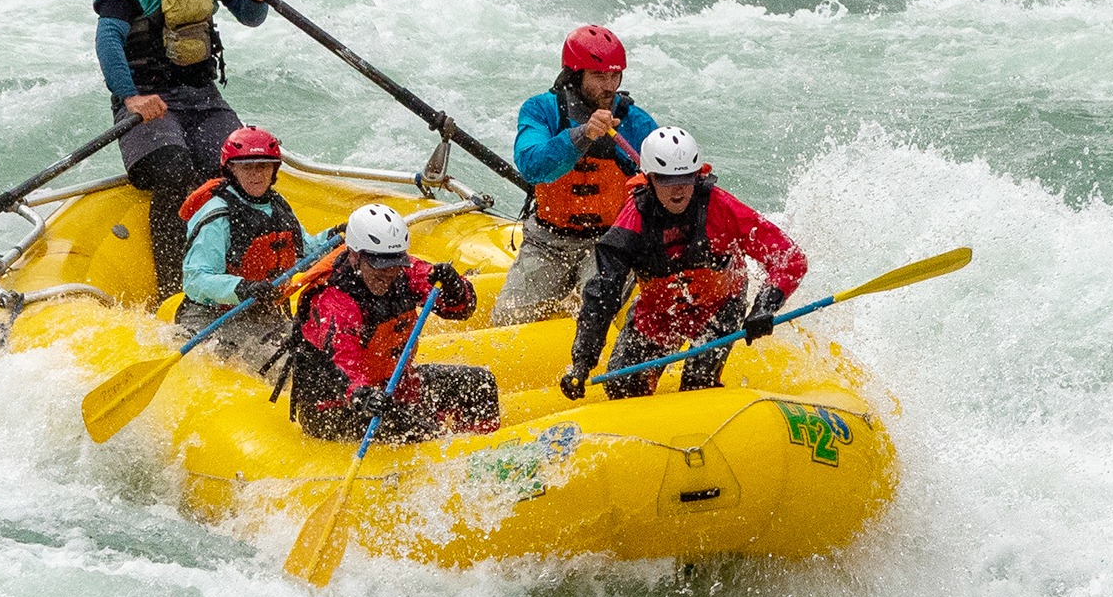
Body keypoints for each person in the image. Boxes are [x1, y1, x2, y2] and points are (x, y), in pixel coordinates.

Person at [94, 0, 275, 299]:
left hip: (203, 97)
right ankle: (175, 291)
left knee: (241, 168)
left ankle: (240, 279)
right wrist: (131, 97)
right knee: (175, 172)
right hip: (149, 100)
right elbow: (108, 38)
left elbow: (248, 15)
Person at [559, 127, 806, 402]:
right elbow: (602, 294)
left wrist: (764, 306)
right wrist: (582, 362)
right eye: (666, 179)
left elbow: (788, 257)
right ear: (649, 179)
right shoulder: (632, 222)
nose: (678, 189)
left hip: (719, 309)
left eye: (686, 177)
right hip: (658, 314)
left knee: (697, 386)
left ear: (697, 174)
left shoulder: (722, 208)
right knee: (621, 388)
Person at [281, 202, 500, 443]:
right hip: (334, 406)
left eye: (394, 261)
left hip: (391, 384)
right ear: (355, 254)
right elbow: (341, 362)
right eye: (378, 263)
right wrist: (363, 396)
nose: (388, 272)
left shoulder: (404, 271)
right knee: (415, 427)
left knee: (480, 384)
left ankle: (481, 446)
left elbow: (460, 309)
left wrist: (455, 289)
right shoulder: (335, 299)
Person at [490, 24, 662, 325]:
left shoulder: (636, 122)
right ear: (574, 74)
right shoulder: (540, 110)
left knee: (595, 316)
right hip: (547, 241)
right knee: (508, 318)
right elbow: (532, 166)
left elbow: (667, 180)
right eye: (599, 76)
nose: (609, 85)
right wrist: (582, 135)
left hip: (611, 243)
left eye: (614, 75)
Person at [176, 126, 337, 366]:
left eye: (262, 166)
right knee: (275, 368)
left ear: (274, 169)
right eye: (247, 167)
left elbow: (306, 250)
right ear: (231, 169)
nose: (256, 175)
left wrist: (335, 236)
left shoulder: (277, 206)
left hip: (261, 315)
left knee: (315, 360)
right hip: (211, 317)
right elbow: (196, 279)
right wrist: (243, 288)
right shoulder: (218, 214)